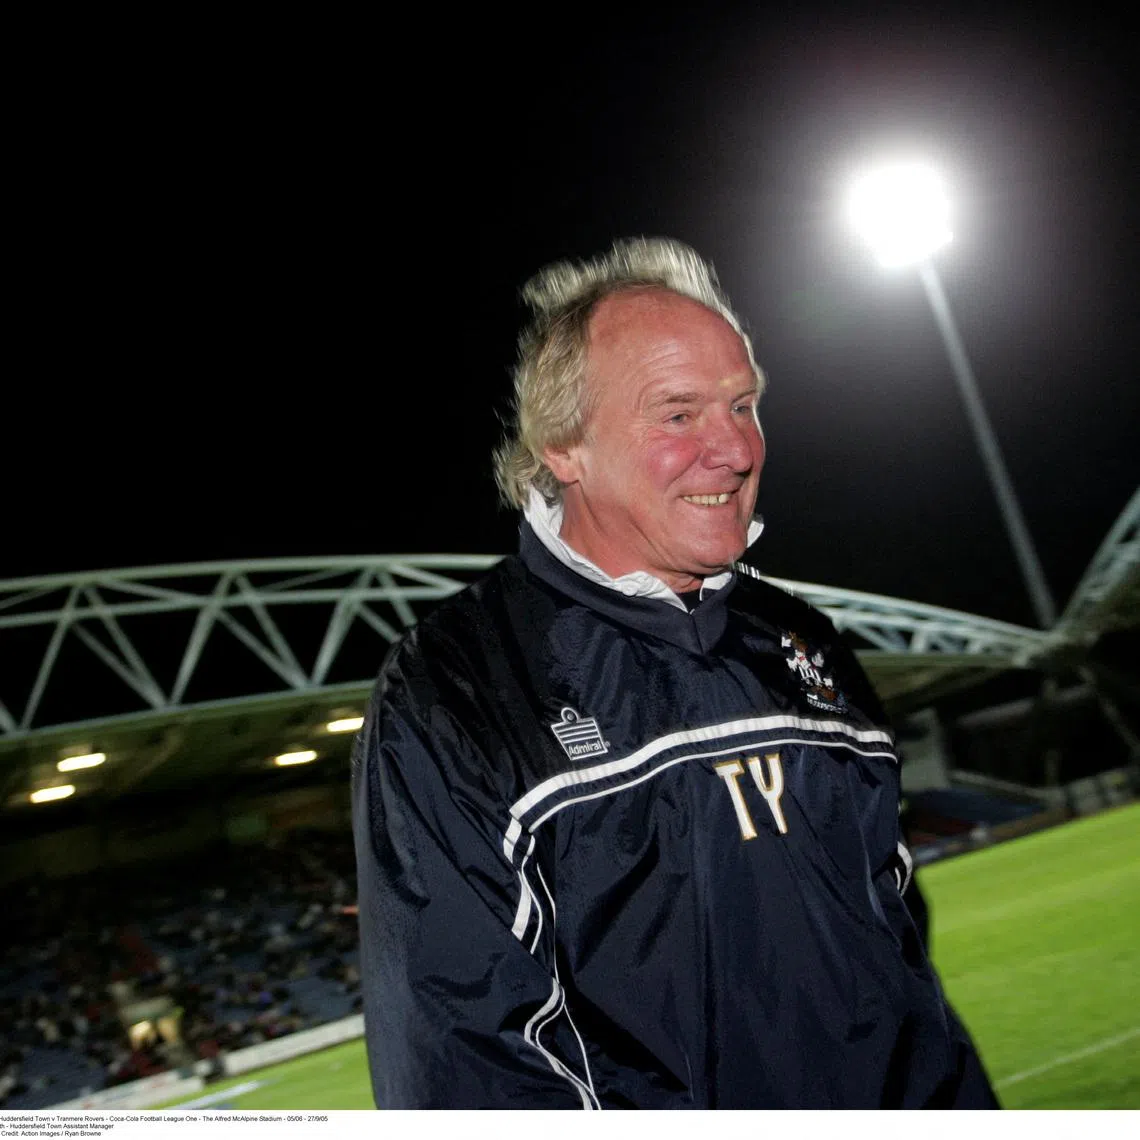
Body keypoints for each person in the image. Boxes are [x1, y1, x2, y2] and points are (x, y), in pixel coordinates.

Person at [351, 237, 999, 1109]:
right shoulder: (455, 688)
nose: (735, 449)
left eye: (743, 404)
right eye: (679, 414)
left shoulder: (804, 641)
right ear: (564, 446)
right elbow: (464, 1064)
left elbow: (903, 971)